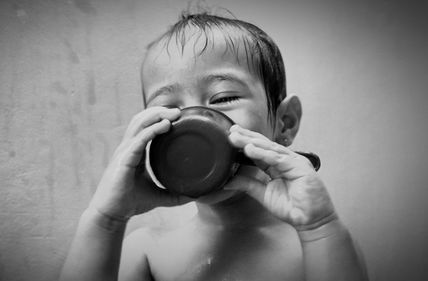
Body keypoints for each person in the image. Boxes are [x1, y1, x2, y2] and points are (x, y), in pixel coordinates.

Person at [59, 12, 368, 281]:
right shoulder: (149, 251)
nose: (196, 121)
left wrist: (319, 227)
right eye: (169, 109)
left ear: (284, 123)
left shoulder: (319, 244)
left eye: (223, 98)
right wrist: (105, 220)